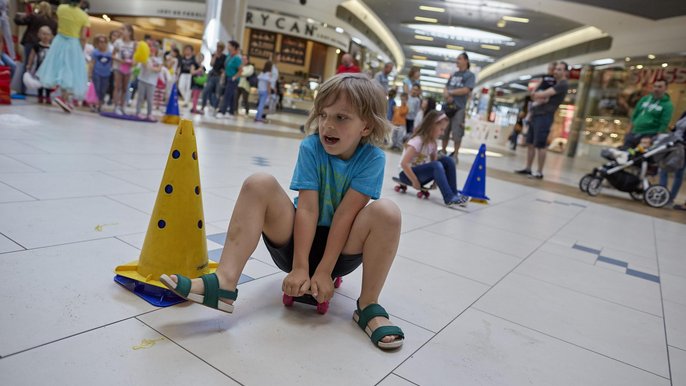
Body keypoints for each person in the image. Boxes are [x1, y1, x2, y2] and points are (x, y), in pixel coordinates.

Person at [160, 73, 404, 350]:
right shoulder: (311, 147)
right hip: (295, 242)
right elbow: (308, 209)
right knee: (258, 183)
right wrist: (300, 267)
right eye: (324, 115)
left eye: (341, 117)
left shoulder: (373, 158)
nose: (328, 125)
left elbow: (345, 216)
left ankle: (368, 304)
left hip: (341, 251)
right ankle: (225, 283)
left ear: (367, 126)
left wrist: (324, 271)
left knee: (388, 212)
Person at [399, 110, 469, 207]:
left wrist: (437, 181)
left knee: (448, 160)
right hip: (406, 175)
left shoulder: (433, 144)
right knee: (436, 164)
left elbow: (434, 163)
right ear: (431, 126)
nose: (443, 132)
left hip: (421, 175)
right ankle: (449, 198)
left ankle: (454, 194)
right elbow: (404, 164)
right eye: (441, 129)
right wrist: (414, 181)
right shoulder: (417, 141)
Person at [515, 62, 570, 179]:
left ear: (565, 72)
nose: (556, 72)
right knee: (530, 143)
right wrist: (537, 94)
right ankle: (528, 168)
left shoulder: (562, 84)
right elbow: (534, 95)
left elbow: (544, 94)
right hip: (536, 114)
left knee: (540, 144)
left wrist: (538, 95)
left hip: (545, 116)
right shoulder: (552, 82)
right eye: (556, 69)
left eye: (559, 70)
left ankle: (539, 172)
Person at [36, 0, 90, 113]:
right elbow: (83, 37)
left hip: (59, 41)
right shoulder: (84, 16)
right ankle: (63, 98)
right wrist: (81, 50)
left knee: (57, 67)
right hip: (73, 44)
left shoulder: (61, 8)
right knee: (70, 70)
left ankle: (63, 97)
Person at [13, 1, 57, 94]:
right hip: (46, 46)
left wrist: (17, 16)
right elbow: (54, 34)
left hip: (30, 42)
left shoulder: (33, 16)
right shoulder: (53, 22)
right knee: (44, 68)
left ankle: (23, 90)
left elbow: (19, 21)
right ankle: (44, 92)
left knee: (27, 66)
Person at [439, 52, 475, 162]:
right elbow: (446, 87)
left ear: (466, 61)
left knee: (457, 132)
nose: (457, 61)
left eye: (459, 59)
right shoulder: (454, 74)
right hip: (447, 107)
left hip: (459, 108)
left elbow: (467, 89)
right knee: (444, 129)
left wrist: (451, 93)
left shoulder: (470, 75)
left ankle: (455, 155)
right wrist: (446, 94)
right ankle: (443, 151)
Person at [623, 78, 674, 148]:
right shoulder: (645, 99)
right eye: (655, 86)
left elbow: (664, 123)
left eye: (660, 87)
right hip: (634, 132)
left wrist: (655, 139)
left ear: (666, 88)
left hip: (649, 135)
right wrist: (628, 131)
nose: (656, 89)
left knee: (637, 156)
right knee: (624, 153)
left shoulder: (667, 105)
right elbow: (635, 115)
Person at [659, 112, 686, 207]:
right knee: (663, 168)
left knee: (678, 173)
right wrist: (673, 129)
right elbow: (677, 127)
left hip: (683, 148)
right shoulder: (685, 113)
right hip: (675, 143)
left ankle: (670, 198)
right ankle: (663, 194)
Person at [111, 24, 135, 115]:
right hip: (118, 67)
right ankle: (116, 106)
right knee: (117, 86)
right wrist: (120, 60)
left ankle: (122, 106)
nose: (122, 31)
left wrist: (133, 62)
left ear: (130, 32)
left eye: (124, 30)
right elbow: (113, 55)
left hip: (128, 68)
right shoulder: (118, 42)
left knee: (125, 88)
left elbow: (135, 57)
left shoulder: (133, 44)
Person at [135, 41, 161, 120]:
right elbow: (144, 65)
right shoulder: (144, 57)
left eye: (154, 47)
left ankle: (149, 113)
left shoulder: (159, 59)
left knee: (150, 99)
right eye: (150, 47)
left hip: (152, 82)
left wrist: (152, 68)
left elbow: (159, 69)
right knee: (140, 97)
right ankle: (138, 112)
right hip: (142, 79)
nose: (152, 48)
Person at [27, 26, 53, 104]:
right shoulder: (37, 46)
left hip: (48, 69)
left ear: (51, 36)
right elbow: (32, 55)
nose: (45, 36)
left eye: (47, 34)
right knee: (39, 83)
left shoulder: (52, 47)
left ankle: (48, 96)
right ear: (39, 35)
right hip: (39, 68)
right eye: (43, 34)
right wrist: (29, 64)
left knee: (48, 83)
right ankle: (40, 96)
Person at [216, 40, 242, 118]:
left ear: (233, 47)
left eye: (229, 45)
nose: (228, 47)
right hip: (227, 77)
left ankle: (222, 111)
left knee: (227, 95)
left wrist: (234, 77)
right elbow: (226, 67)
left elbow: (240, 70)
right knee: (231, 95)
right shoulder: (229, 56)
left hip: (233, 79)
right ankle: (231, 112)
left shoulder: (237, 58)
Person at [200, 41, 225, 113]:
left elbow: (224, 69)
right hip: (212, 75)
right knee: (206, 90)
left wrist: (222, 78)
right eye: (218, 47)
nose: (218, 49)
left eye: (220, 47)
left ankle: (215, 107)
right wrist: (214, 57)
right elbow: (211, 64)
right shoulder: (214, 55)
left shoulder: (224, 57)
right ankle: (203, 106)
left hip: (219, 76)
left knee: (217, 93)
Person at [89, 34, 111, 112]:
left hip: (106, 74)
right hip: (97, 73)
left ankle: (100, 105)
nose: (102, 44)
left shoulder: (109, 53)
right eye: (100, 42)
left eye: (104, 42)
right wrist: (90, 73)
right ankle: (95, 104)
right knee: (97, 89)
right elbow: (92, 62)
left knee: (103, 90)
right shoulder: (95, 52)